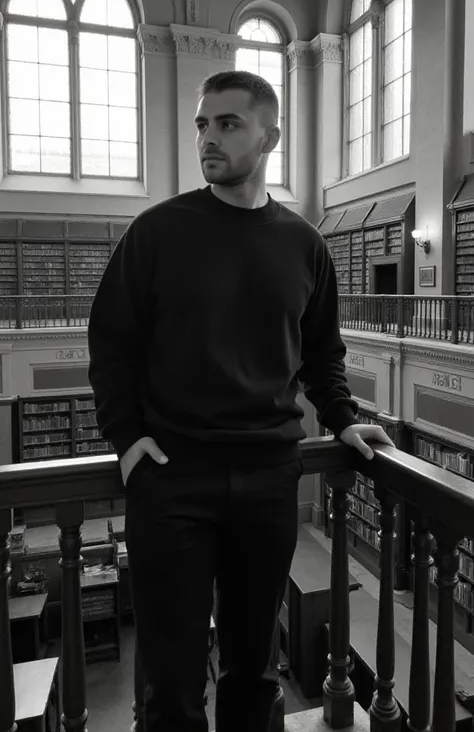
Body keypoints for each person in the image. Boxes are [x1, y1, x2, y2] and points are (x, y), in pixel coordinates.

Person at [88, 70, 394, 732]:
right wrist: (125, 438)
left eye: (227, 123)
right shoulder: (157, 233)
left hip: (267, 478)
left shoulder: (304, 246)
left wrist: (341, 420)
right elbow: (111, 342)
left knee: (254, 672)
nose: (209, 137)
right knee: (169, 683)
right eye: (202, 123)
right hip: (173, 479)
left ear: (270, 135)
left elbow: (321, 353)